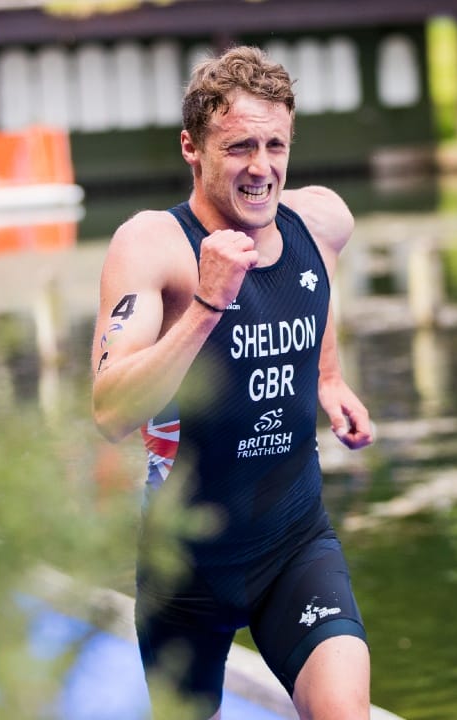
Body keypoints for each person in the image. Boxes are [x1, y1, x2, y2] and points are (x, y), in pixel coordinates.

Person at [89, 45, 374, 719]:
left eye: (276, 145)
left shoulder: (321, 220)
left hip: (294, 545)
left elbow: (312, 281)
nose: (262, 167)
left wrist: (328, 374)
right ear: (192, 146)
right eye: (240, 145)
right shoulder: (153, 245)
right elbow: (109, 410)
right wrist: (208, 307)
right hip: (185, 571)